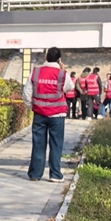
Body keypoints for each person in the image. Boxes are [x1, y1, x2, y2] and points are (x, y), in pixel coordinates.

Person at [23, 47, 74, 182]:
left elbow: (27, 93)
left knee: (38, 143)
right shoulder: (62, 74)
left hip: (39, 114)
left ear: (46, 57)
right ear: (59, 59)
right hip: (57, 115)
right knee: (56, 144)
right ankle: (55, 174)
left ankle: (35, 174)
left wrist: (32, 106)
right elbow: (69, 87)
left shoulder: (36, 72)